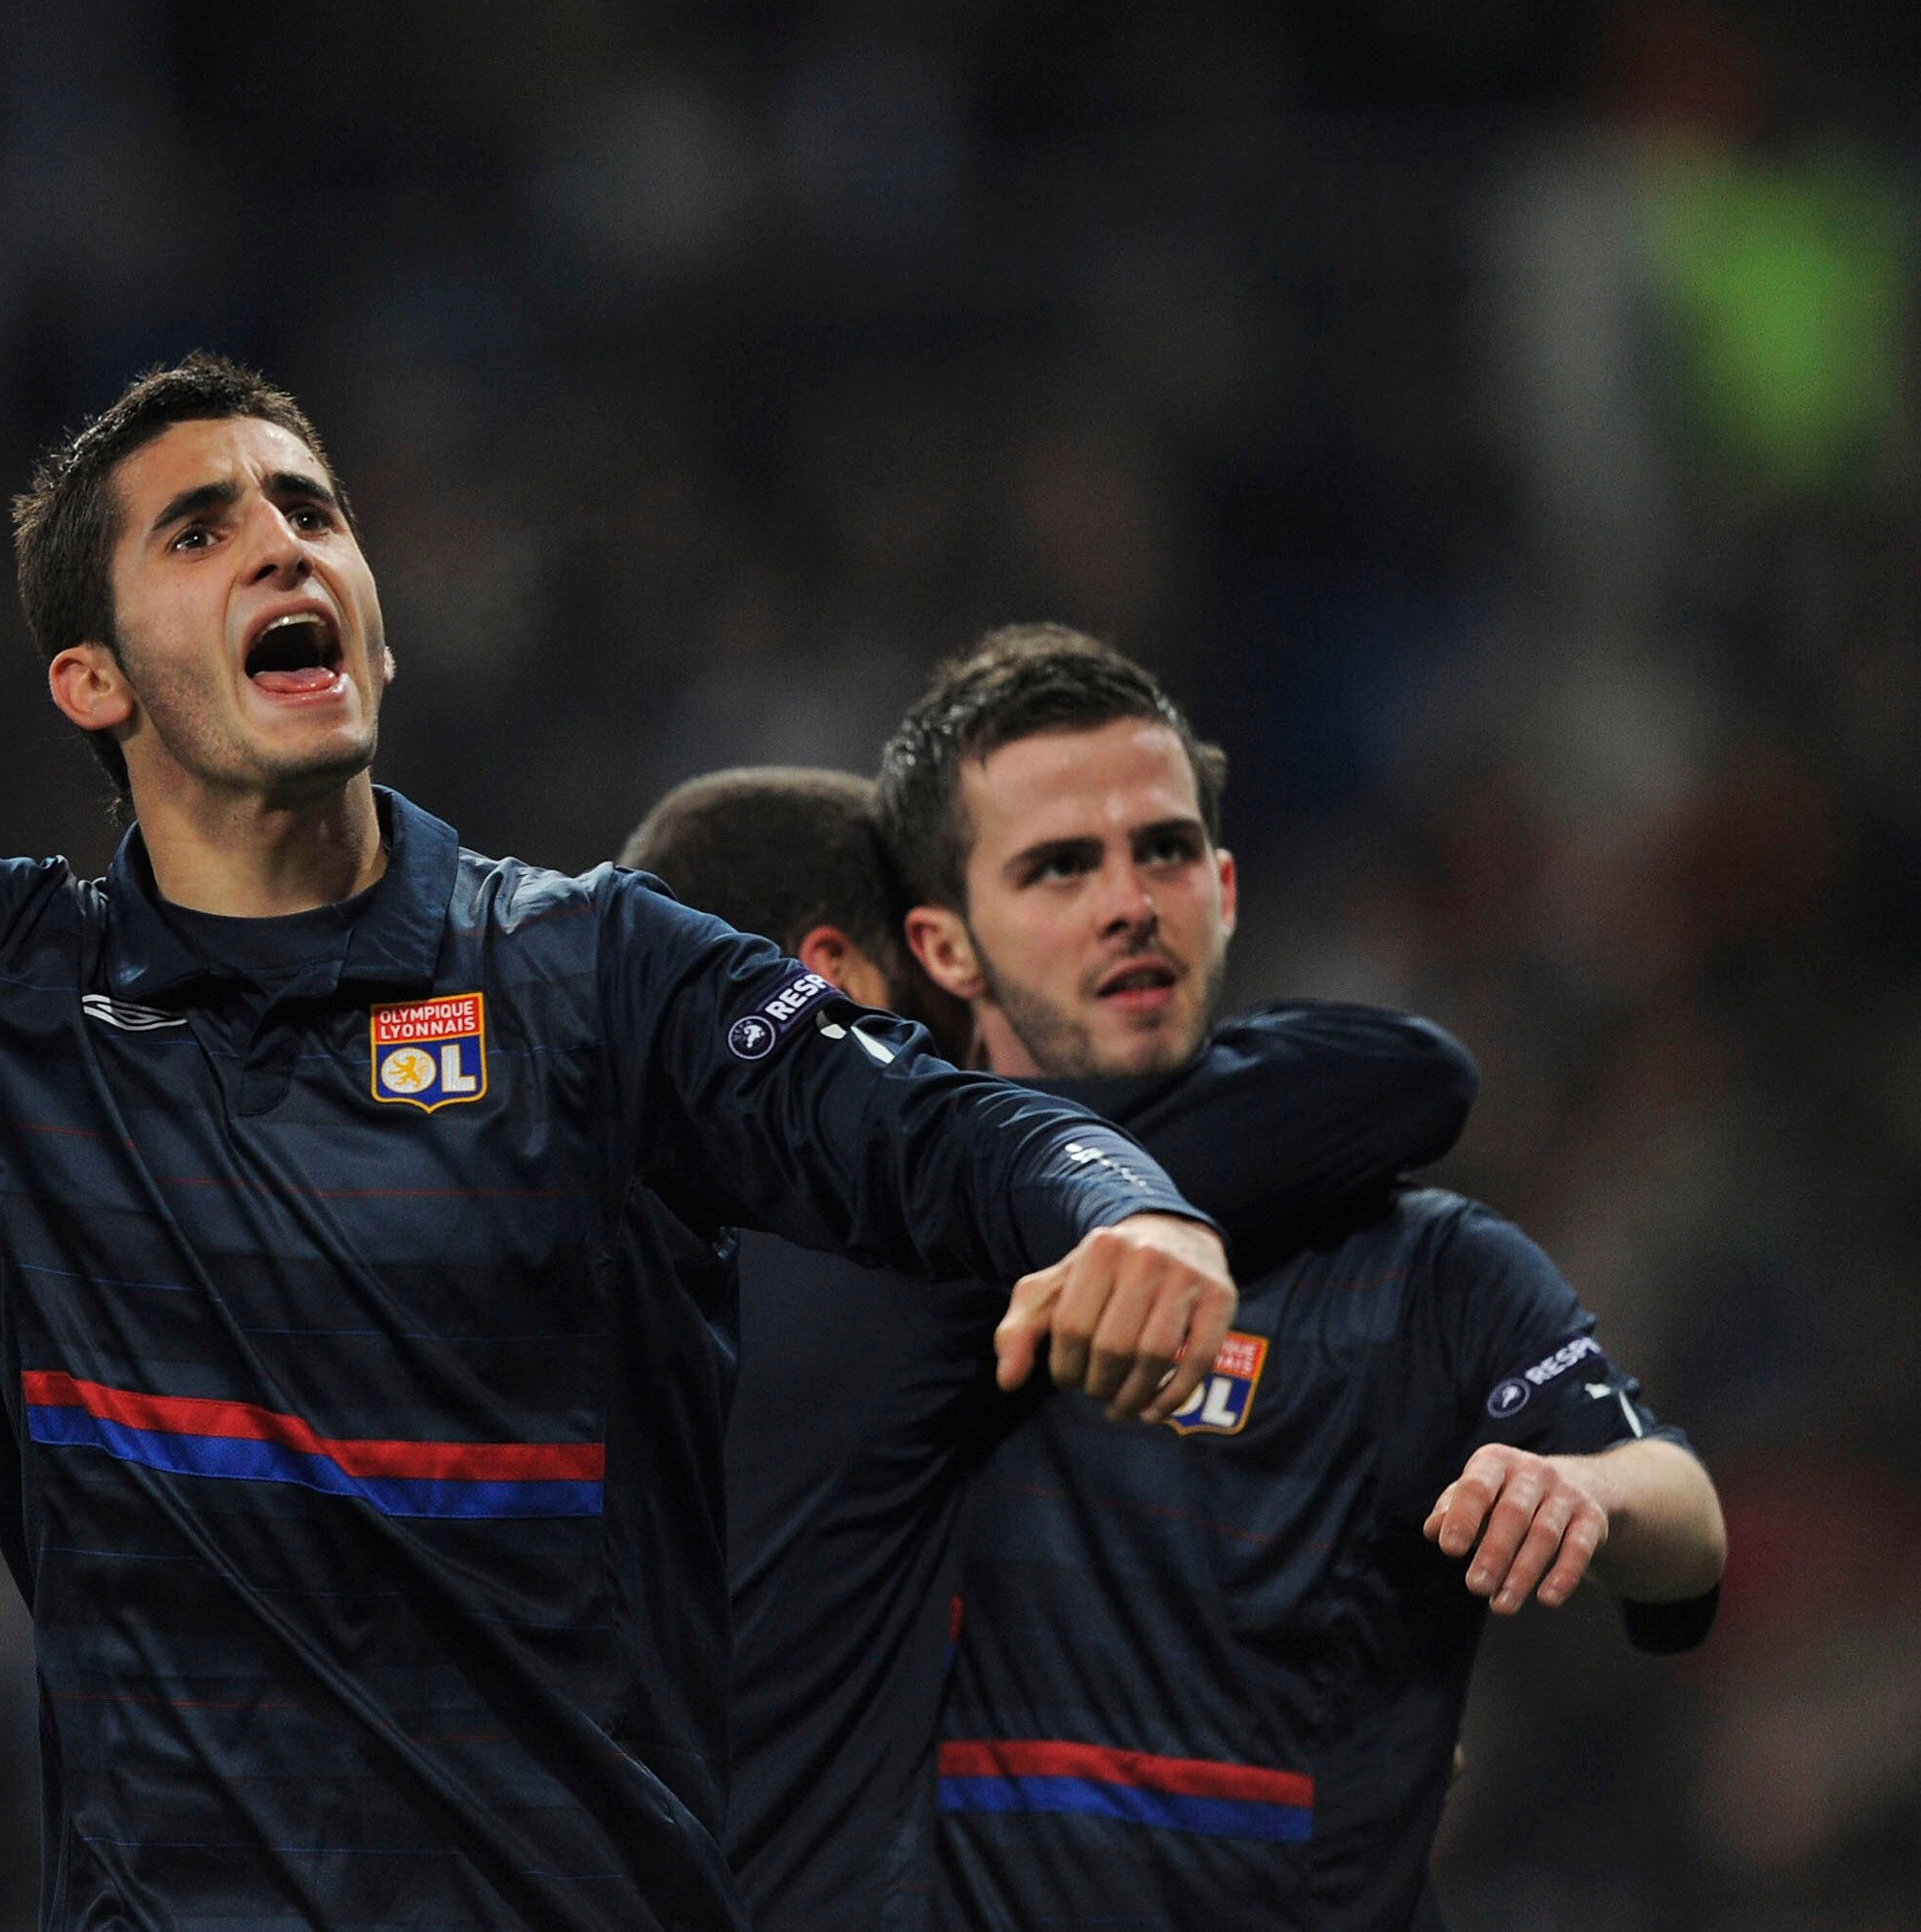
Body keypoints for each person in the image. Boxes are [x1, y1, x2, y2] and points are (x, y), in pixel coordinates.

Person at [0, 76, 1233, 1930]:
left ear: (374, 620)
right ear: (90, 682)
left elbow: (940, 1131)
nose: (282, 543)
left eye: (311, 510)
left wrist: (1125, 1203)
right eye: (200, 529)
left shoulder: (597, 975)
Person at [875, 624, 1727, 1929]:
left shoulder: (1414, 1260)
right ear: (945, 944)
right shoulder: (859, 1250)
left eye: (1162, 850)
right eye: (1059, 868)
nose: (1129, 902)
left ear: (1223, 886)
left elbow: (1683, 1522)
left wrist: (1580, 1490)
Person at [618, 767, 1479, 1930]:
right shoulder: (891, 1239)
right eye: (944, 972)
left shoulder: (522, 1240)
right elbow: (1397, 1084)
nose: (974, 1026)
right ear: (829, 979)